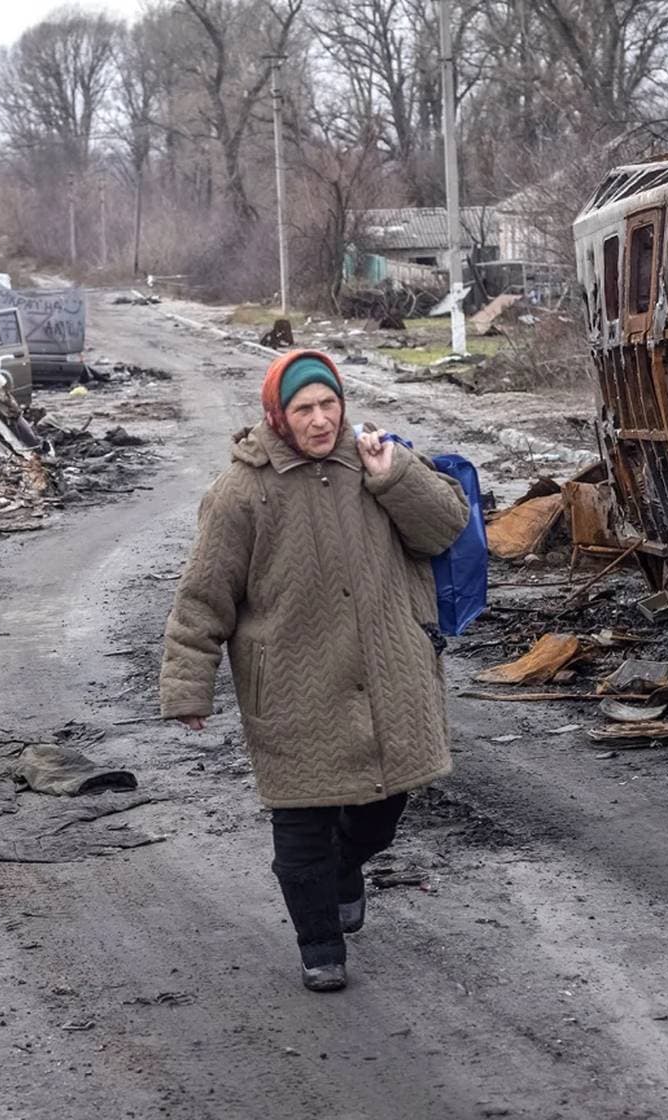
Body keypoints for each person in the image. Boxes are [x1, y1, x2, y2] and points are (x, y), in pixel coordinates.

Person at [159, 349, 470, 992]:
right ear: (278, 415)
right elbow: (203, 594)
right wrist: (189, 686)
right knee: (301, 817)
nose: (322, 420)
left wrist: (396, 475)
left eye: (330, 404)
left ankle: (347, 865)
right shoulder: (242, 491)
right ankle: (320, 945)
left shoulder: (374, 460)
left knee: (386, 804)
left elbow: (445, 529)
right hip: (294, 681)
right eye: (305, 408)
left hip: (389, 670)